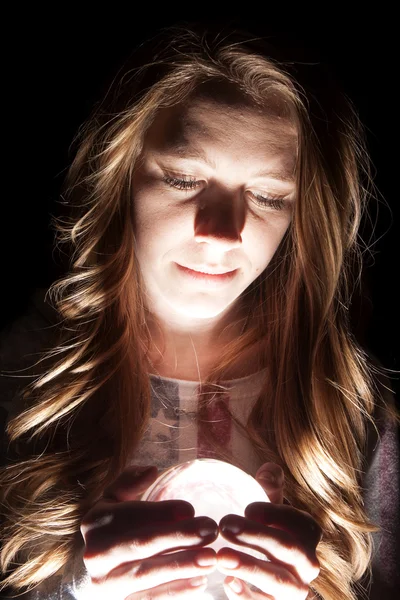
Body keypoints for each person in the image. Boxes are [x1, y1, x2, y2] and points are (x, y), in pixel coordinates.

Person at [0, 23, 398, 600]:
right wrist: (83, 586)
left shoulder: (346, 406)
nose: (222, 233)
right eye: (186, 179)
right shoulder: (22, 379)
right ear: (121, 176)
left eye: (266, 196)